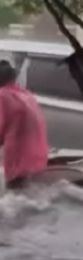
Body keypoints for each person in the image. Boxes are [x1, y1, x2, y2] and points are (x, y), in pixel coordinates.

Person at [0, 60, 49, 190]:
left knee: (15, 201)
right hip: (39, 157)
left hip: (19, 160)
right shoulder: (25, 94)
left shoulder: (3, 96)